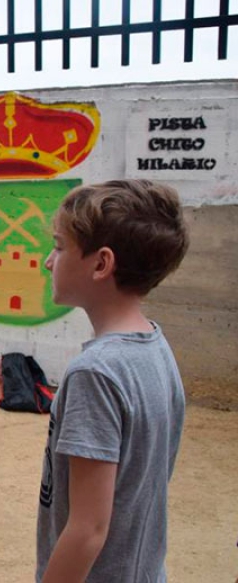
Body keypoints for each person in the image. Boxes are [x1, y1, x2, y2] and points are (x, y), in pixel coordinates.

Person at [36, 179, 190, 582]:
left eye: (59, 246)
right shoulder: (156, 345)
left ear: (101, 264)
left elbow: (89, 529)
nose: (48, 261)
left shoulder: (96, 372)